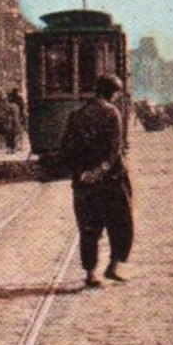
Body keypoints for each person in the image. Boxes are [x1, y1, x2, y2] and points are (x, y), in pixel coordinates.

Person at [57, 74, 134, 287]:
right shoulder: (112, 113)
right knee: (121, 223)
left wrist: (81, 172)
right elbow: (113, 150)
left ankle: (91, 274)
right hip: (112, 180)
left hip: (84, 183)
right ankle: (113, 266)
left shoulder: (76, 115)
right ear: (113, 93)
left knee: (89, 227)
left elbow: (66, 149)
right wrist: (100, 170)